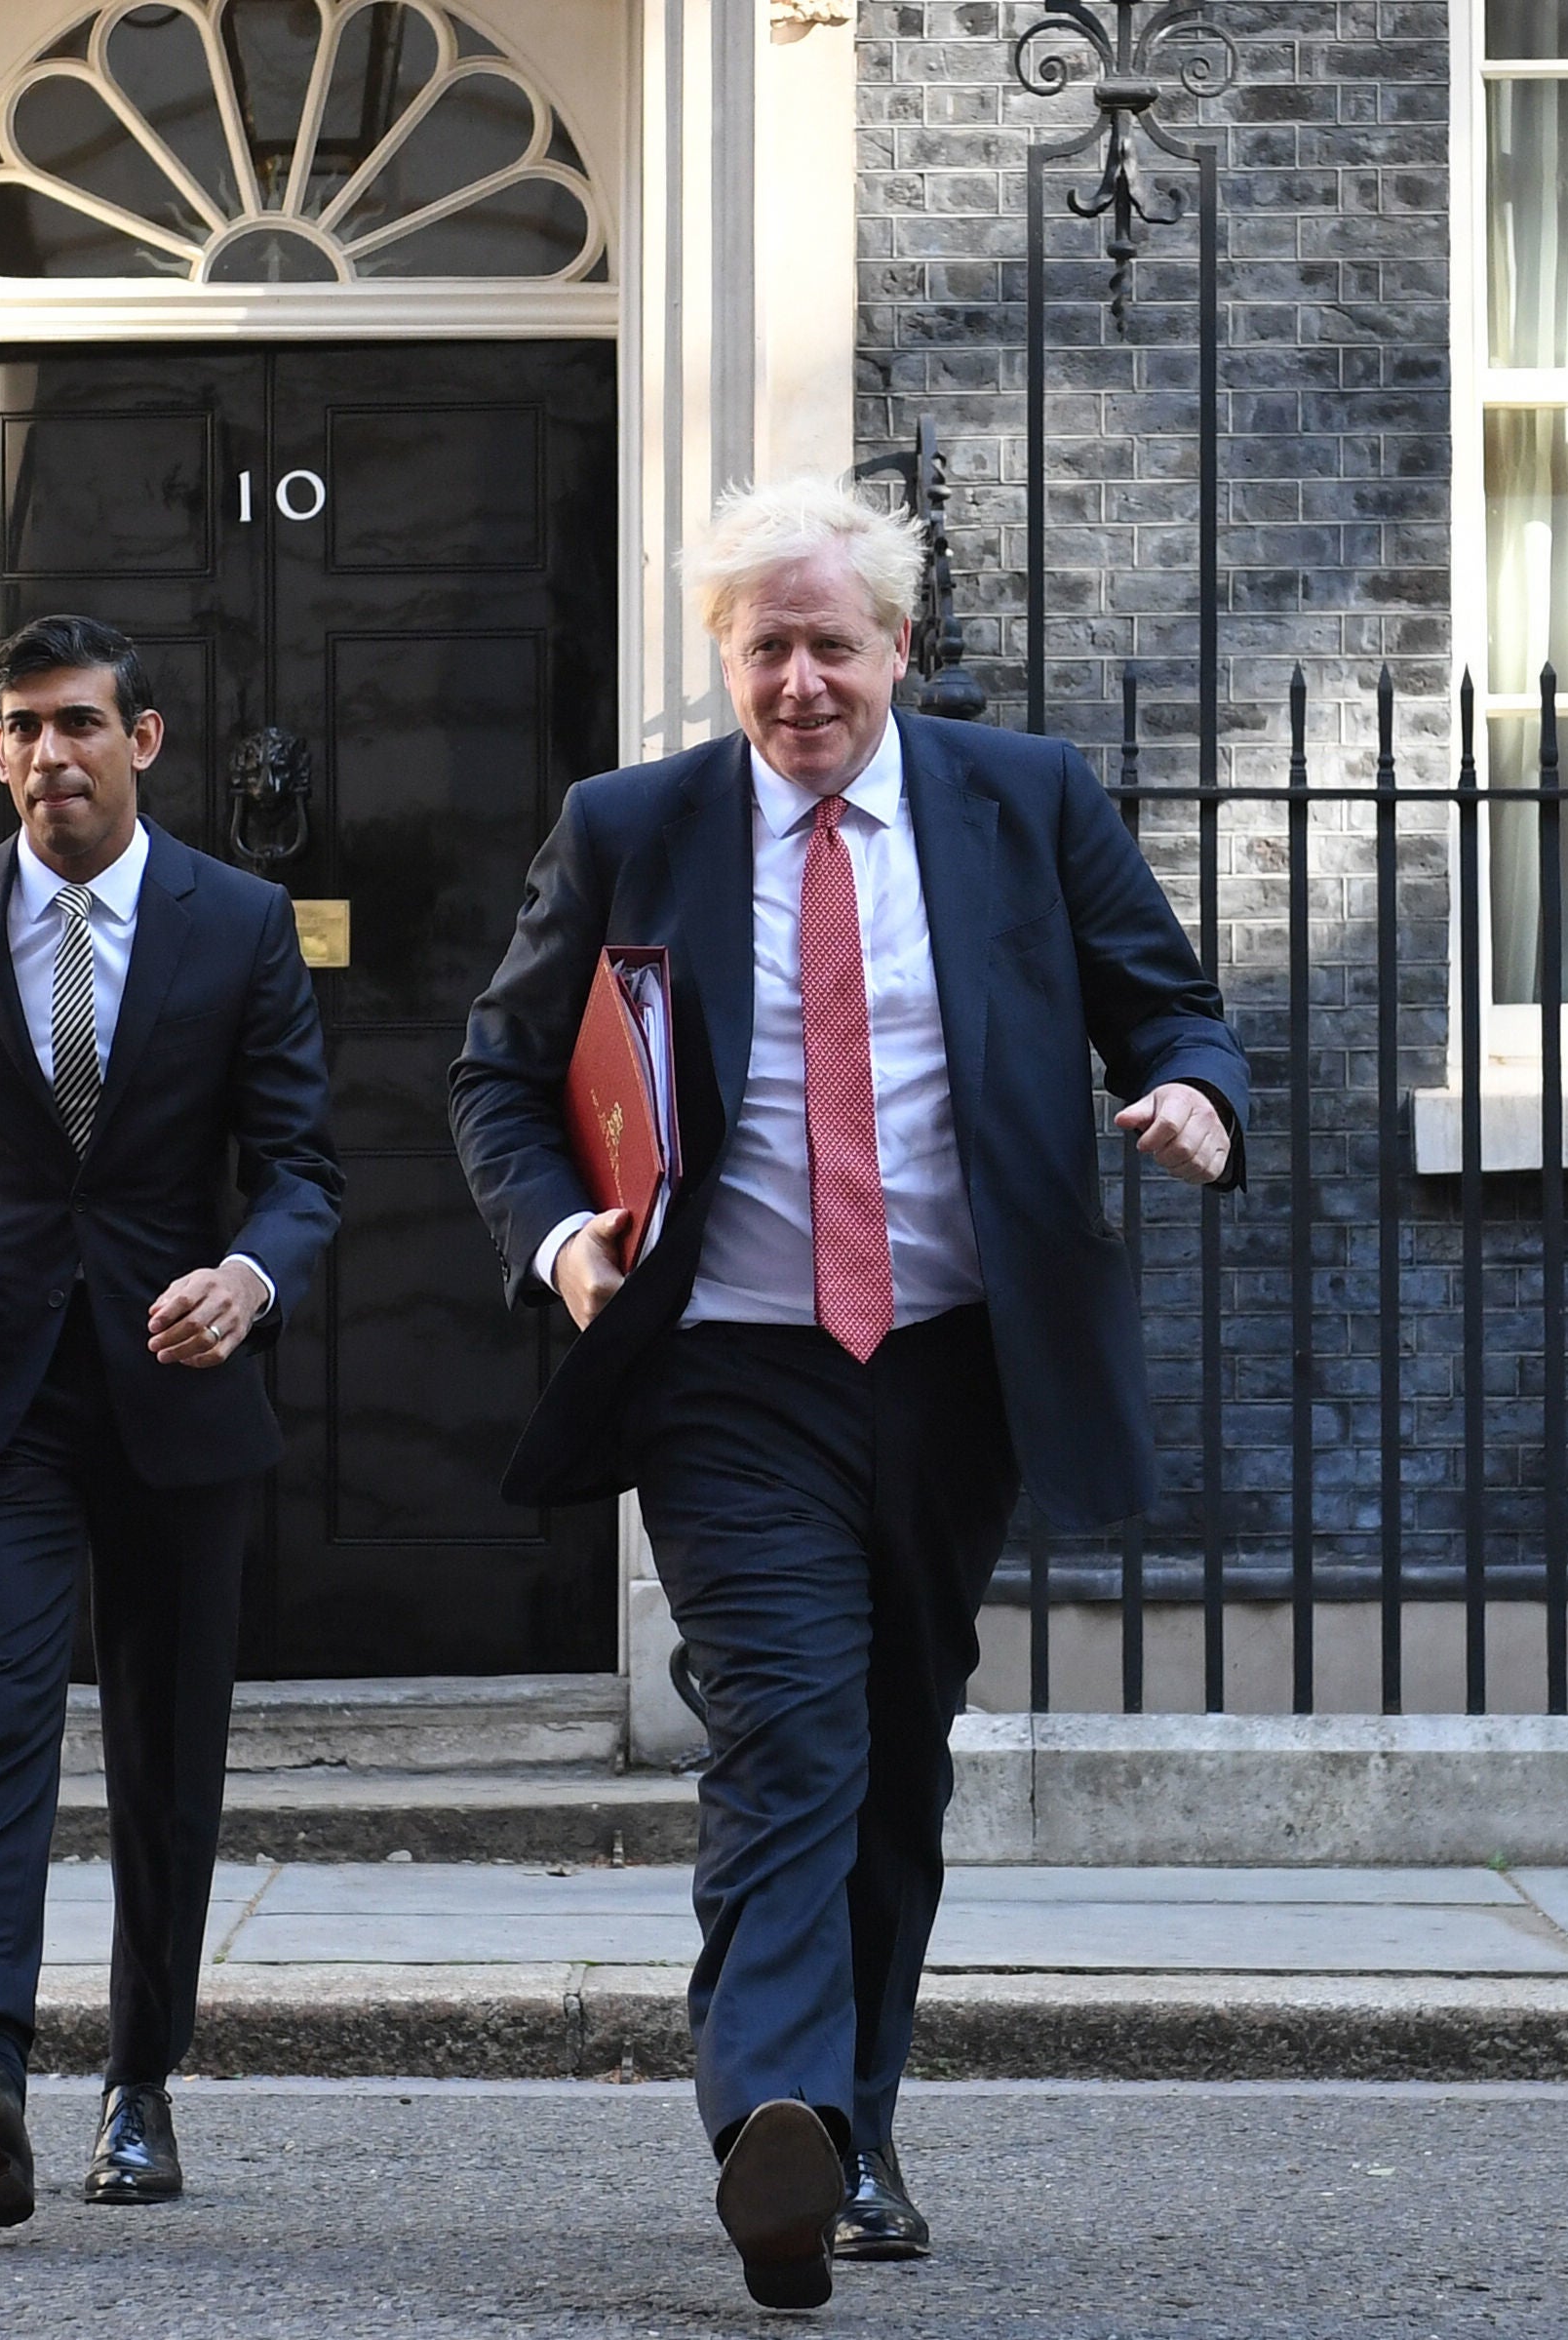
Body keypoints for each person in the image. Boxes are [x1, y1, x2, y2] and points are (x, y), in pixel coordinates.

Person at [450, 479, 1246, 2309]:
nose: (801, 681)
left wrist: (1198, 1100)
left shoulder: (1021, 803)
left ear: (900, 650)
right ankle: (773, 2129)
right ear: (720, 658)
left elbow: (1170, 1008)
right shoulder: (632, 828)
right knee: (791, 1730)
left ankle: (859, 2127)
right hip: (728, 1367)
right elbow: (497, 1077)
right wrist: (564, 1240)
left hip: (954, 1365)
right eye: (766, 647)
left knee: (896, 1749)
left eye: (833, 644)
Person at [0, 613, 340, 2227]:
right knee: (2, 1717)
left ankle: (140, 2085)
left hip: (179, 1400)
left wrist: (249, 1278)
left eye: (81, 725)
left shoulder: (239, 923)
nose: (52, 756)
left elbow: (307, 1169)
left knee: (168, 1759)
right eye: (24, 729)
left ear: (145, 740)